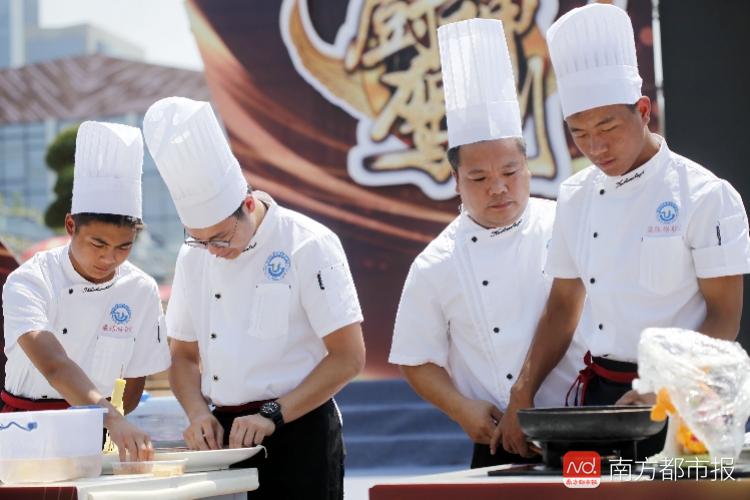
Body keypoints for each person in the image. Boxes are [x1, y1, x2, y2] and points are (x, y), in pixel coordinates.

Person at [497, 3, 750, 459]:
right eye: (579, 133)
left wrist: (663, 388)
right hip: (601, 402)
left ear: (643, 110)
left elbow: (724, 317)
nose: (595, 147)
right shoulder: (575, 195)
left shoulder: (707, 196)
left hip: (686, 404)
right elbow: (561, 306)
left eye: (608, 127)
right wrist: (523, 391)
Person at [143, 96, 366, 499]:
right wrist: (196, 412)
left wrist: (273, 414)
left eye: (221, 238)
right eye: (199, 239)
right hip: (222, 438)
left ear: (248, 204)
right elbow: (183, 355)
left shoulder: (308, 244)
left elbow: (348, 357)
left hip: (300, 429)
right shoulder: (193, 256)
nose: (212, 249)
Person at [389, 18, 585, 468]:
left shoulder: (568, 223)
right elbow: (417, 359)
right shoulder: (435, 263)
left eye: (510, 172)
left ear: (528, 167)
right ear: (456, 180)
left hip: (585, 425)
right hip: (497, 438)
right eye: (479, 177)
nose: (498, 188)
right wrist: (461, 408)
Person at [2, 121, 171, 461]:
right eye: (98, 243)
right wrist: (110, 416)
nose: (109, 258)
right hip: (22, 431)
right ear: (70, 227)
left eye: (124, 247)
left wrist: (112, 426)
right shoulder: (30, 280)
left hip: (97, 435)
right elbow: (54, 365)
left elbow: (136, 380)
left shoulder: (140, 288)